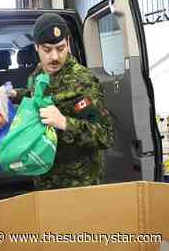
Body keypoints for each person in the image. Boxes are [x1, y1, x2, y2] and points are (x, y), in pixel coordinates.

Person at [13, 13, 114, 189]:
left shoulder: (82, 81)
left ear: (68, 43)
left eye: (61, 48)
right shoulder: (39, 74)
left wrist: (64, 122)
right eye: (47, 50)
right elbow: (36, 96)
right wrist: (14, 94)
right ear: (36, 47)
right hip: (44, 177)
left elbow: (104, 136)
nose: (54, 57)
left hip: (77, 184)